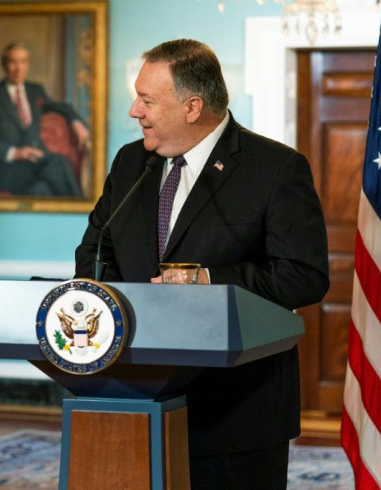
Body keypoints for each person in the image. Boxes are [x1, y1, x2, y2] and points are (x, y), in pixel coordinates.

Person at [75, 39, 329, 489]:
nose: (135, 111)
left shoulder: (274, 167)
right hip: (133, 394)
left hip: (237, 409)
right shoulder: (131, 162)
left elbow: (303, 276)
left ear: (192, 106)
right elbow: (97, 251)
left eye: (147, 100)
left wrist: (208, 280)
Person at [0, 42, 88, 197]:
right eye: (13, 62)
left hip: (37, 162)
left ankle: (81, 210)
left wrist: (76, 123)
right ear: (5, 65)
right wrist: (14, 153)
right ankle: (82, 211)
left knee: (43, 187)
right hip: (9, 169)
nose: (19, 68)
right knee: (56, 164)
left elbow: (60, 107)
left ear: (28, 65)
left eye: (23, 62)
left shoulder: (35, 91)